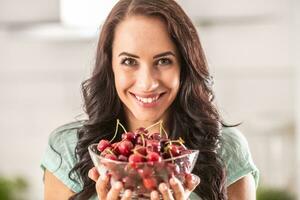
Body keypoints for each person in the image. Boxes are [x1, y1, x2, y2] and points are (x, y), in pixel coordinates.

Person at [41, 0, 259, 199]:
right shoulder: (68, 149)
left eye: (164, 61)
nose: (147, 83)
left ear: (184, 66)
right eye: (129, 61)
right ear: (110, 67)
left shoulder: (225, 149)